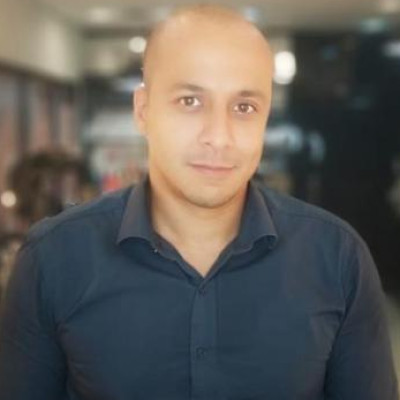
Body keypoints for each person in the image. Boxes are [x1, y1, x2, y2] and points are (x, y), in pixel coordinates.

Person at [0, 4, 398, 400]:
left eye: (244, 107)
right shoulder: (53, 258)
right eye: (190, 101)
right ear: (143, 110)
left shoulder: (337, 258)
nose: (219, 137)